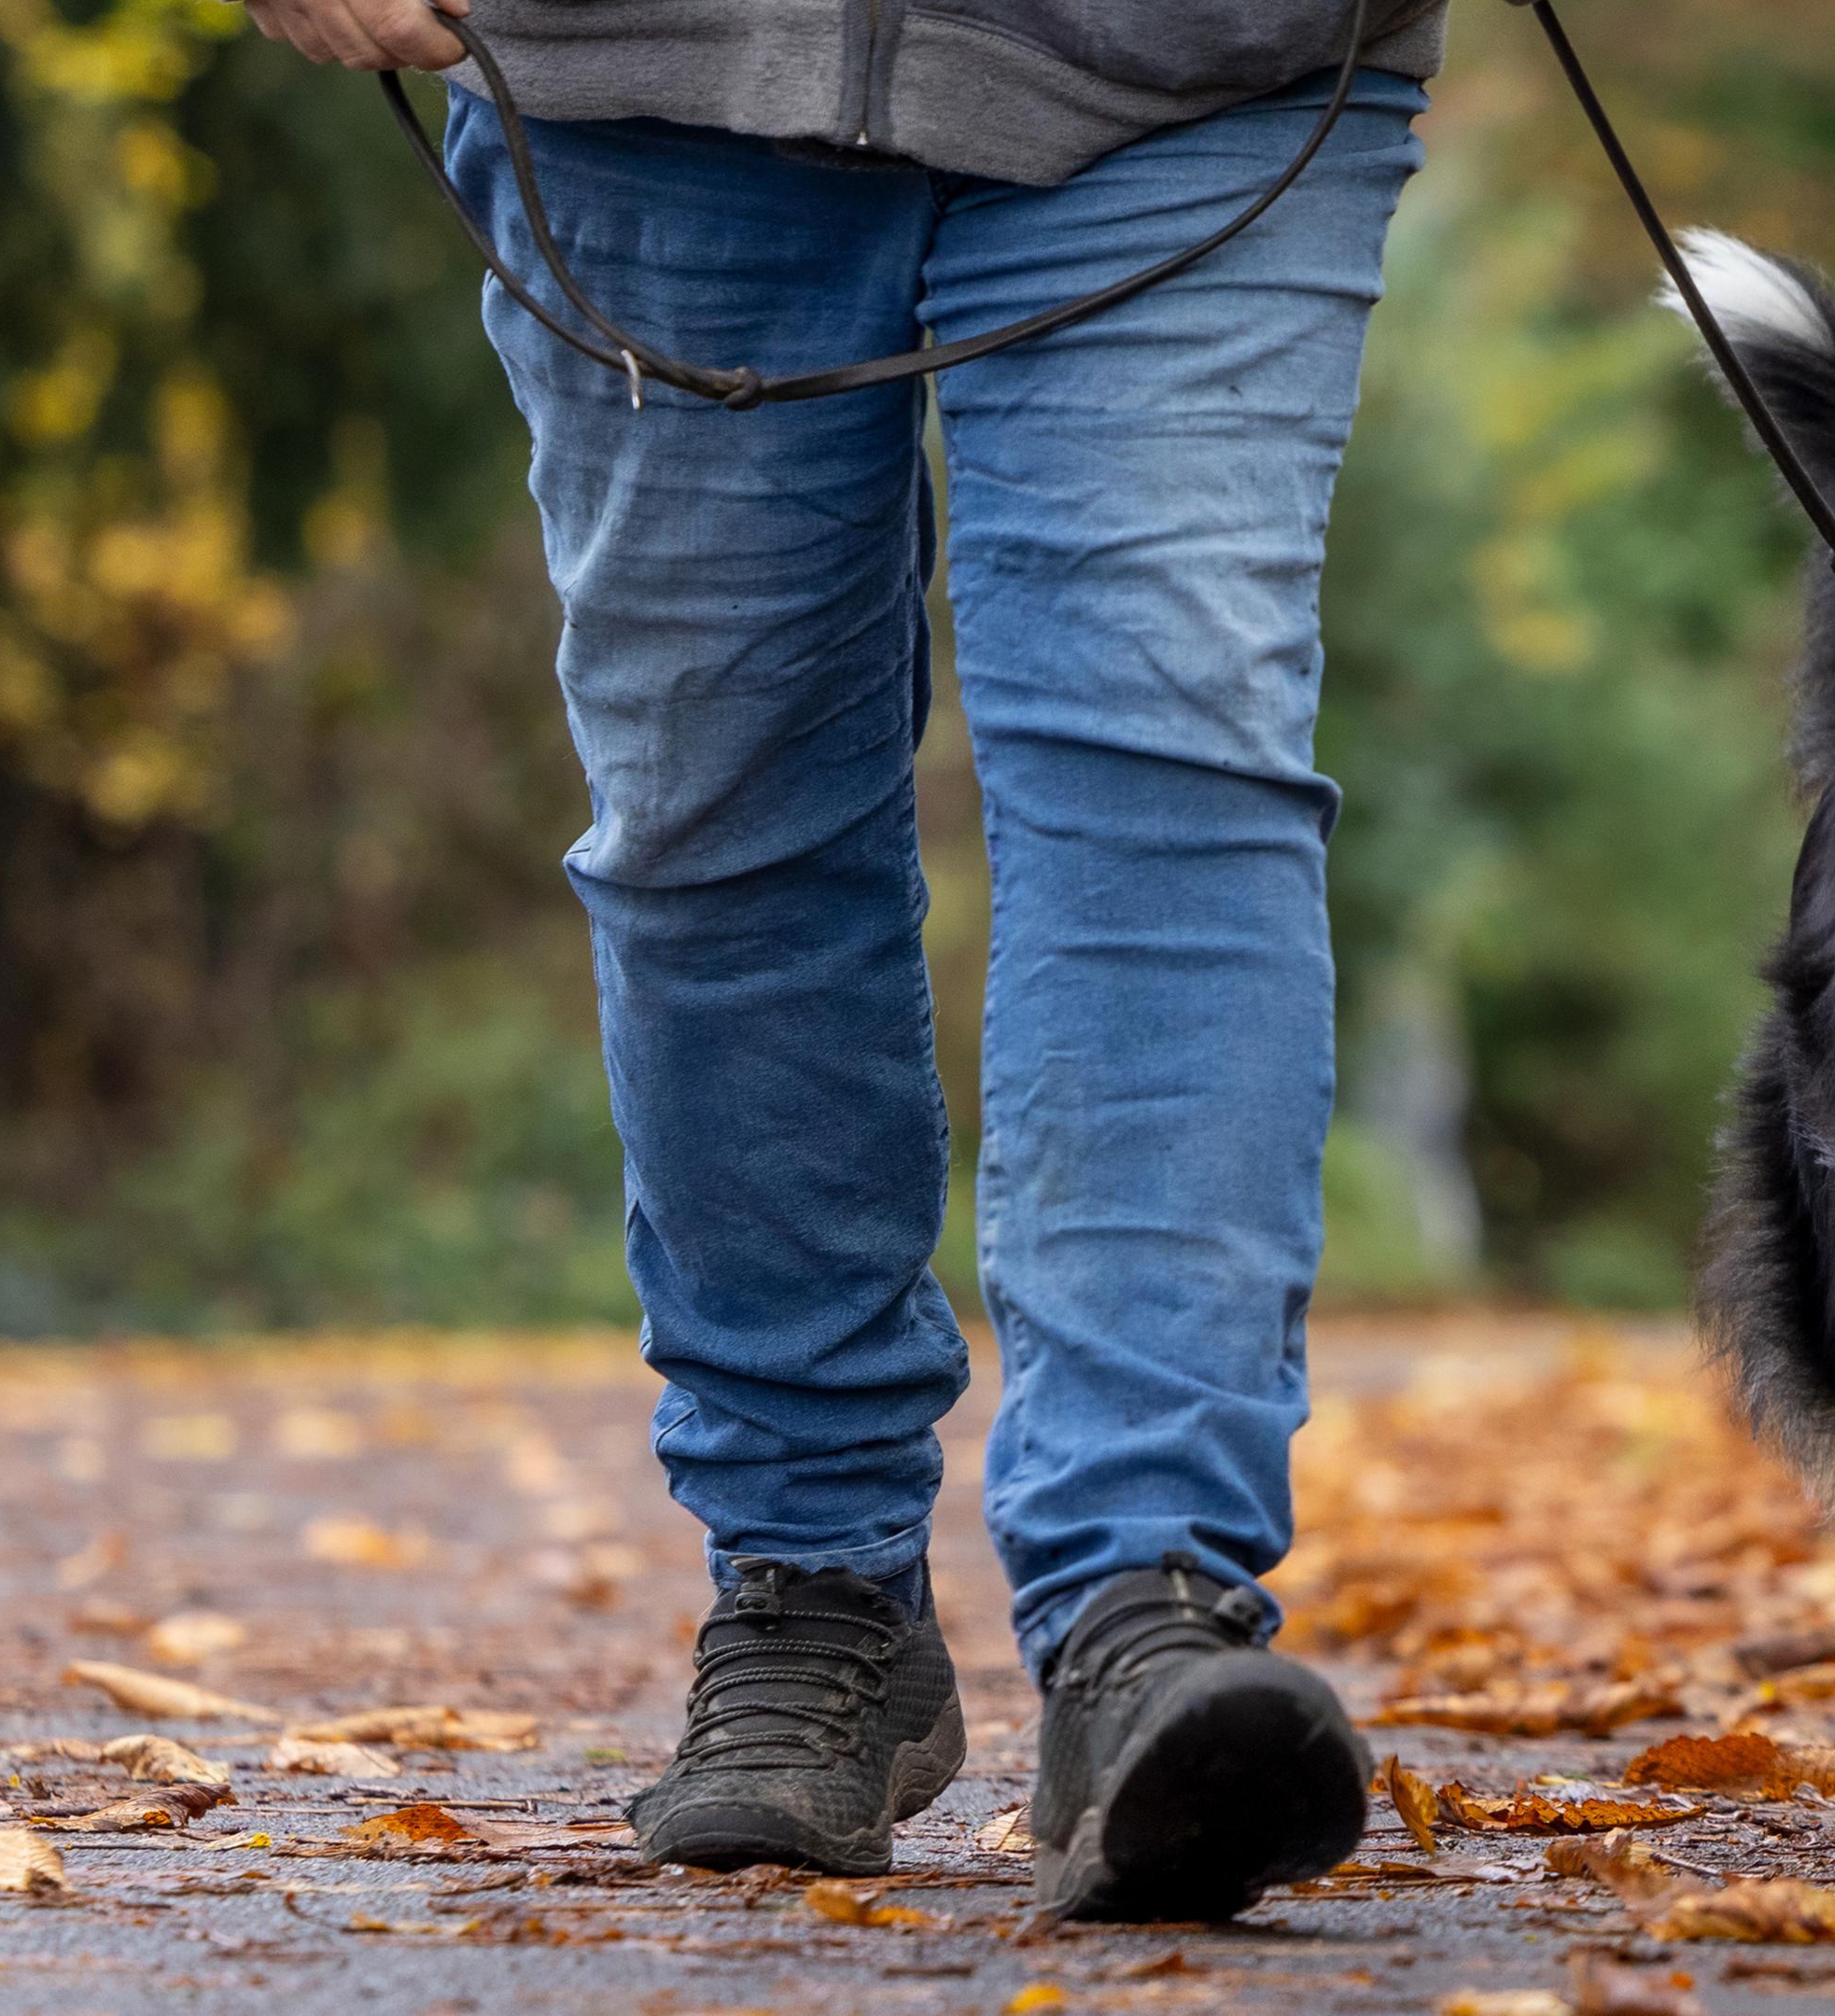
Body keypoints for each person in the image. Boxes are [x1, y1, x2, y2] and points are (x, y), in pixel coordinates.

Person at [232, 0, 1447, 1921]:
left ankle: (1149, 1599)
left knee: (1173, 771)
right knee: (716, 811)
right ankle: (815, 1592)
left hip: (1205, 67)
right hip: (645, 69)